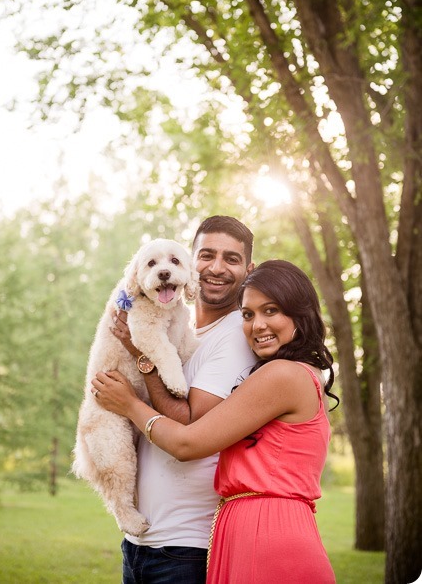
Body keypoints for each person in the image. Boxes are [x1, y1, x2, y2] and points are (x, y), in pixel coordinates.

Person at [93, 260, 339, 584]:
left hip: (269, 536)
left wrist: (130, 405)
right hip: (244, 531)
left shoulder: (283, 375)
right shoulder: (289, 374)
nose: (257, 325)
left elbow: (187, 442)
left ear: (299, 313)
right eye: (248, 315)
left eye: (271, 310)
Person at [99, 216, 257, 583]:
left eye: (231, 259)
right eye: (206, 255)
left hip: (184, 549)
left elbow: (188, 422)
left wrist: (129, 395)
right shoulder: (183, 326)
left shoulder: (234, 337)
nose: (216, 268)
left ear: (248, 270)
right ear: (191, 261)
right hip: (141, 544)